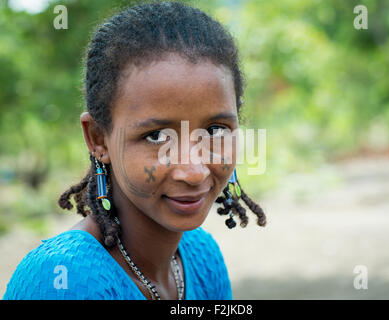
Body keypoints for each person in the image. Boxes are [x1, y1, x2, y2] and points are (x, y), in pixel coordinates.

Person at [3, 0, 266, 300]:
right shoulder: (62, 280)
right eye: (156, 136)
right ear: (98, 139)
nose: (194, 171)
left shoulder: (201, 257)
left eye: (215, 130)